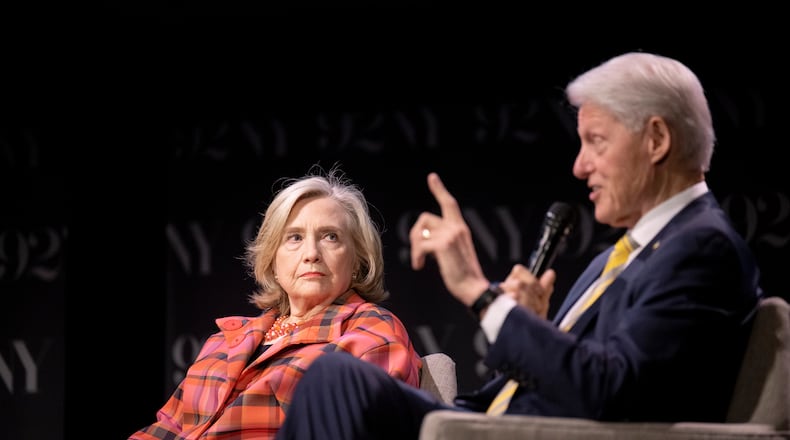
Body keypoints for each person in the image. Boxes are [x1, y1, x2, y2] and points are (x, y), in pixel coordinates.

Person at [274, 51, 764, 439]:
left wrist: (480, 293)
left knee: (332, 381)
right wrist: (533, 328)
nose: (579, 166)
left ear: (656, 140)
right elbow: (579, 375)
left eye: (596, 141)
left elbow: (612, 391)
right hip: (490, 418)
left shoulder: (701, 249)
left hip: (523, 434)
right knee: (333, 378)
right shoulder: (622, 257)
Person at [129, 165, 422, 439]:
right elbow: (169, 425)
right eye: (294, 238)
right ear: (272, 261)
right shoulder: (224, 341)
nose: (311, 253)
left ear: (357, 261)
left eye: (330, 237)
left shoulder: (371, 330)